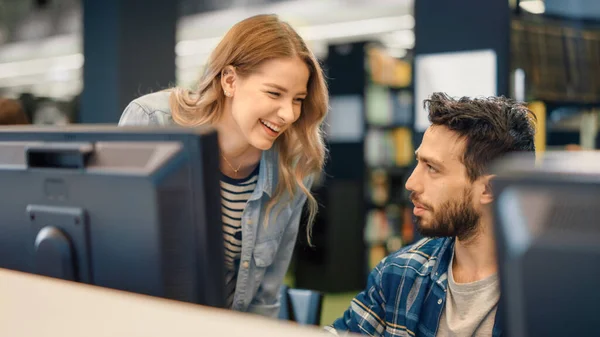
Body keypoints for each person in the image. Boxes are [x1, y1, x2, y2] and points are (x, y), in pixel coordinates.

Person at [118, 14, 328, 318]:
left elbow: (264, 299)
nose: (288, 114)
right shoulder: (152, 124)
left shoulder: (293, 164)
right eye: (274, 93)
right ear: (229, 80)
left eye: (298, 99)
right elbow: (117, 258)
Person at [326, 93, 536, 337]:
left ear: (490, 189)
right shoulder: (400, 273)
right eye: (418, 163)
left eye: (432, 168)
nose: (411, 183)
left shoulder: (551, 295)